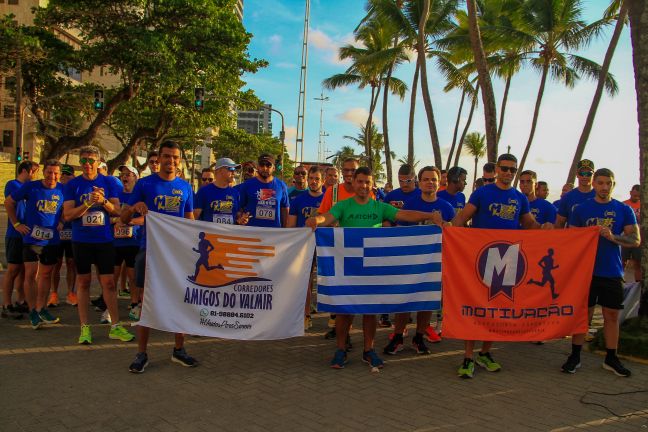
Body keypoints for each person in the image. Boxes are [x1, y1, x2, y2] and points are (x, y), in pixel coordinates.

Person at [306, 166, 444, 370]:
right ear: (354, 183)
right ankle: (341, 350)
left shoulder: (380, 207)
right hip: (348, 266)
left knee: (370, 312)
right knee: (344, 312)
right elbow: (326, 218)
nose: (363, 185)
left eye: (367, 182)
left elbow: (404, 215)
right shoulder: (343, 205)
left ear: (372, 185)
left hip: (371, 268)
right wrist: (315, 220)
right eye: (360, 181)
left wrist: (431, 216)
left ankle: (368, 350)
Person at [451, 154, 552, 378]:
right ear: (497, 169)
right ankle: (468, 357)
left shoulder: (519, 198)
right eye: (504, 168)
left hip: (508, 259)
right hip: (480, 258)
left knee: (496, 308)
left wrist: (543, 228)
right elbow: (460, 220)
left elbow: (529, 224)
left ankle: (485, 353)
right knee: (475, 306)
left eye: (512, 170)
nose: (508, 173)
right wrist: (447, 231)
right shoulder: (482, 193)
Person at [123, 140, 197, 373]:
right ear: (159, 158)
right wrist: (135, 208)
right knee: (146, 303)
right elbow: (123, 218)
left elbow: (190, 220)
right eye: (167, 156)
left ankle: (179, 349)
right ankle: (141, 353)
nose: (171, 161)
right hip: (150, 251)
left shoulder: (185, 187)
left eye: (175, 157)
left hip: (177, 254)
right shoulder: (144, 185)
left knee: (180, 300)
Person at [562, 168, 640, 377]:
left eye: (609, 183)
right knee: (583, 316)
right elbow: (570, 238)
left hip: (612, 271)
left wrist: (613, 237)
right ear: (594, 184)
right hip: (586, 272)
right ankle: (575, 355)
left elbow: (635, 240)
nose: (605, 187)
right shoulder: (581, 209)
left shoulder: (623, 210)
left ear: (613, 185)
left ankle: (611, 358)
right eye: (601, 183)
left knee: (611, 316)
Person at [63, 145, 134, 344]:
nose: (87, 165)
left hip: (104, 241)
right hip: (81, 241)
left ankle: (115, 327)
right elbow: (68, 215)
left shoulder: (109, 181)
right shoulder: (72, 185)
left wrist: (102, 201)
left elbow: (118, 211)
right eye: (83, 161)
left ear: (98, 162)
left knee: (109, 283)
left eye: (90, 161)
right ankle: (85, 328)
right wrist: (86, 204)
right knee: (83, 283)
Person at [383, 166, 454, 356]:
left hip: (434, 263)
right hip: (411, 262)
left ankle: (419, 337)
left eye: (434, 179)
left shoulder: (447, 208)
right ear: (419, 182)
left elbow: (455, 236)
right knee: (405, 300)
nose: (430, 182)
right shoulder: (410, 204)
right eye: (426, 179)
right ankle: (398, 336)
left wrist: (445, 226)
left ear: (439, 183)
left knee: (427, 301)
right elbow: (400, 231)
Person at [5, 160, 65, 329]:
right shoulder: (31, 186)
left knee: (46, 275)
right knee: (31, 274)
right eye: (49, 172)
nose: (52, 176)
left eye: (56, 173)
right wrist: (16, 224)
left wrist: (61, 220)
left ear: (59, 175)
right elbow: (9, 202)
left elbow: (67, 209)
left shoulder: (62, 189)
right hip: (32, 239)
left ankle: (42, 308)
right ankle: (32, 311)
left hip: (52, 240)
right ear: (43, 172)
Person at [287, 165, 325, 329]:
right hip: (305, 246)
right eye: (311, 178)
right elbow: (290, 226)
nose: (314, 182)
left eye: (317, 179)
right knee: (306, 281)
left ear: (322, 181)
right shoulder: (298, 200)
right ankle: (306, 315)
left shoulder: (328, 200)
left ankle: (333, 316)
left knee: (327, 280)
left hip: (324, 245)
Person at [2, 161, 38, 319]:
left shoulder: (29, 188)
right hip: (15, 234)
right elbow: (9, 203)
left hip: (27, 235)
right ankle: (6, 304)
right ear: (26, 171)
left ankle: (21, 299)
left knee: (24, 270)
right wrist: (16, 224)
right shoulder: (14, 185)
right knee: (13, 270)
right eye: (34, 172)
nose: (35, 175)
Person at [112, 165, 143, 320]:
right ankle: (108, 308)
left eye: (128, 174)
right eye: (122, 174)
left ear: (135, 178)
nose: (125, 177)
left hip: (133, 241)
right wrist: (116, 220)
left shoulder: (140, 196)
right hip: (116, 242)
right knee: (113, 276)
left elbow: (146, 218)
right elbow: (110, 214)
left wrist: (130, 221)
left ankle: (134, 304)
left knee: (133, 276)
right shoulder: (116, 195)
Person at [50, 164, 77, 307]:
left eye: (69, 174)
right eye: (63, 174)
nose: (65, 177)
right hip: (58, 233)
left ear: (73, 176)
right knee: (56, 264)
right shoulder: (57, 189)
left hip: (72, 232)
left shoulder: (76, 189)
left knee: (72, 264)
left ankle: (71, 293)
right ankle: (54, 294)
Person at [238, 154, 289, 228]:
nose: (265, 168)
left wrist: (285, 230)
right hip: (251, 231)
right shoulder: (247, 185)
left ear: (274, 168)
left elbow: (285, 209)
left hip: (273, 233)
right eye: (262, 165)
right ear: (258, 167)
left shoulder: (281, 185)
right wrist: (240, 216)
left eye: (268, 165)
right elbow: (239, 207)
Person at [194, 158, 244, 224]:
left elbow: (238, 217)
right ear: (219, 170)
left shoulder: (235, 193)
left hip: (228, 234)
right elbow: (194, 218)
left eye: (235, 170)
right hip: (209, 234)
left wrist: (242, 219)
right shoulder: (203, 191)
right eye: (231, 169)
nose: (234, 173)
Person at [555, 160, 595, 228]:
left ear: (593, 175)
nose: (585, 176)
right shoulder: (568, 197)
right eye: (581, 173)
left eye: (588, 174)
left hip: (594, 237)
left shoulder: (599, 196)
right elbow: (559, 225)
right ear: (577, 174)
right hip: (573, 237)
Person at [622, 184, 641, 282]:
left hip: (638, 239)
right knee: (622, 261)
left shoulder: (644, 205)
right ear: (630, 193)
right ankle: (619, 280)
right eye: (635, 196)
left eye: (639, 196)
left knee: (638, 263)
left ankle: (638, 285)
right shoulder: (624, 205)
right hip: (625, 238)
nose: (637, 198)